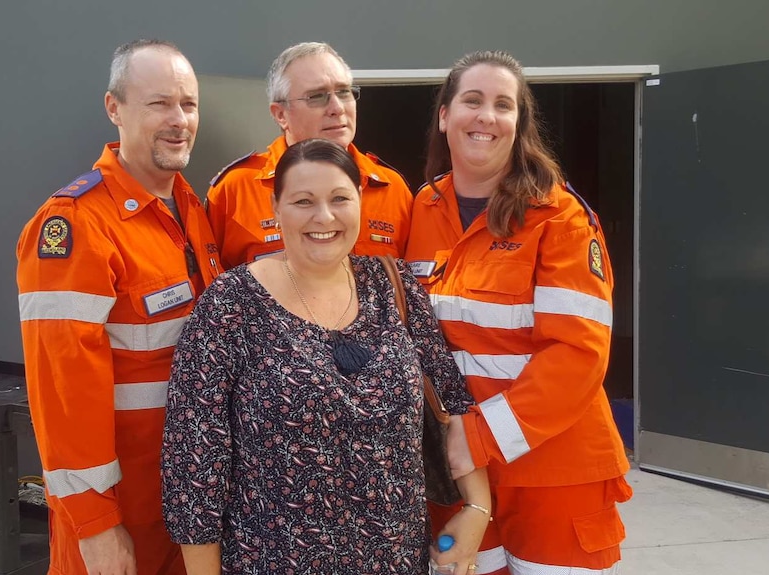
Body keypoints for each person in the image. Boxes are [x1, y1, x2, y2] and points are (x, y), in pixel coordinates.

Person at [162, 138, 491, 575]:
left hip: (395, 560)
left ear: (360, 204)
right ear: (276, 210)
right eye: (303, 201)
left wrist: (478, 506)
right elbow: (194, 460)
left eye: (340, 199)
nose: (324, 217)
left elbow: (452, 402)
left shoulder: (393, 287)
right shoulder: (230, 305)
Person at [405, 51, 632, 575]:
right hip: (459, 476)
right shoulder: (420, 209)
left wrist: (480, 436)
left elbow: (578, 355)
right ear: (444, 115)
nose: (486, 116)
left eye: (503, 105)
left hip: (553, 472)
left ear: (518, 124)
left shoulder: (559, 217)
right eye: (472, 100)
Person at [17, 39, 221, 575]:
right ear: (115, 109)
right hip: (123, 516)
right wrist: (95, 525)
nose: (179, 120)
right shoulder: (76, 225)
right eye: (159, 104)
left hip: (193, 503)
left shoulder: (192, 212)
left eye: (189, 104)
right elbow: (62, 391)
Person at [206, 41, 413, 269]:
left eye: (344, 92)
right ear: (281, 115)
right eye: (316, 96)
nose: (337, 107)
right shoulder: (236, 190)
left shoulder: (392, 188)